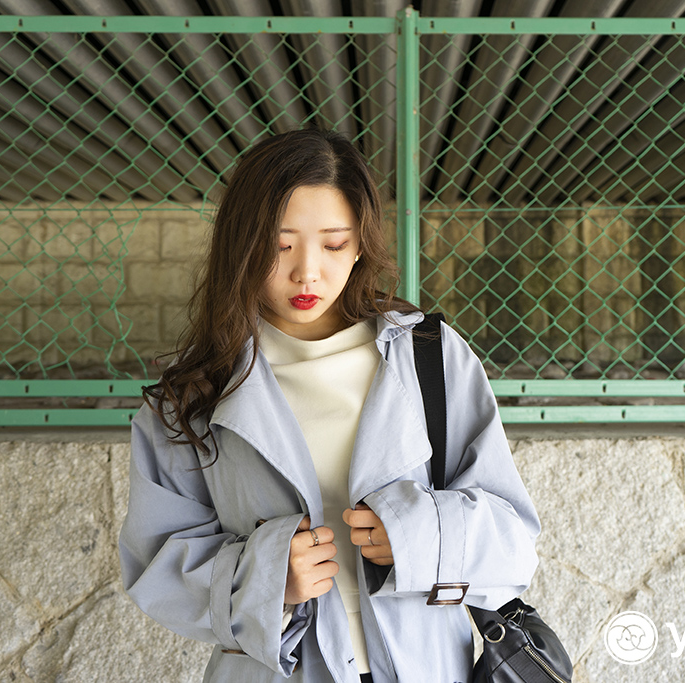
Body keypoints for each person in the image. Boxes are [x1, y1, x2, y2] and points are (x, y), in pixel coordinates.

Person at [119, 128, 540, 683]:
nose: (307, 272)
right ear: (241, 244)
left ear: (361, 242)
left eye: (334, 244)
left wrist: (418, 536)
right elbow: (156, 565)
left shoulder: (429, 357)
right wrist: (268, 577)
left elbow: (514, 538)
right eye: (280, 245)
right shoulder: (192, 394)